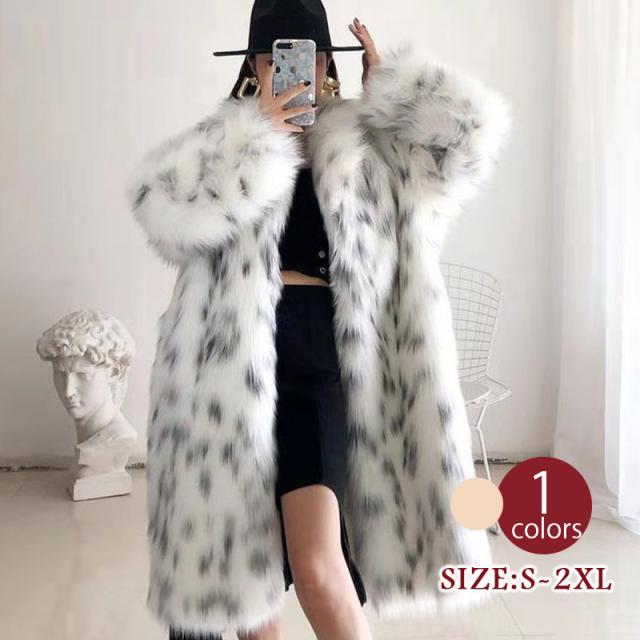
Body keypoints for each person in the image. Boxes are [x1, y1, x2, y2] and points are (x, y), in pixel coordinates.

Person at [128, 0, 512, 638]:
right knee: (247, 584)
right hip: (229, 371)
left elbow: (468, 146)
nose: (291, 71)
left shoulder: (370, 142)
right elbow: (160, 211)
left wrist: (397, 93)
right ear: (253, 66)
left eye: (305, 56)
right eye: (273, 56)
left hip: (324, 358)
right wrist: (252, 140)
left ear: (327, 63)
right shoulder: (226, 142)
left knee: (316, 564)